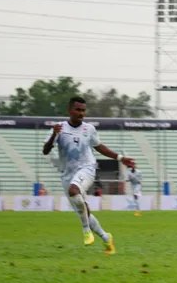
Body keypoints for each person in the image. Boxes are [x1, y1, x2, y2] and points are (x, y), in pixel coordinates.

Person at [42, 96, 135, 253]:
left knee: (74, 191)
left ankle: (86, 231)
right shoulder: (59, 128)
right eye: (78, 110)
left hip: (87, 168)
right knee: (83, 211)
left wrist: (120, 158)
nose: (81, 113)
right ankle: (106, 238)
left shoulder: (89, 129)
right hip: (67, 174)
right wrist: (53, 136)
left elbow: (99, 147)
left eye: (83, 110)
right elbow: (45, 151)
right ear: (70, 110)